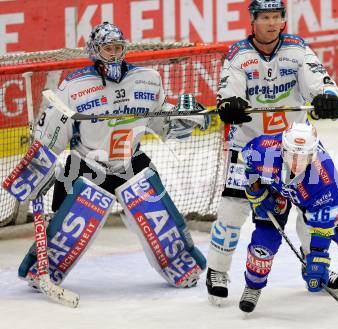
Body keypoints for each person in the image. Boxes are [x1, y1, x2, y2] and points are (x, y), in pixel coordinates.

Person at [206, 0, 338, 304]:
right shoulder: (239, 55)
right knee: (233, 211)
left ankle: (312, 264)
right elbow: (228, 88)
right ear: (253, 21)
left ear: (283, 20)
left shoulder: (297, 49)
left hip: (296, 145)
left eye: (276, 17)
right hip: (250, 147)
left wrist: (326, 96)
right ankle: (217, 270)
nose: (271, 24)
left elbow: (318, 78)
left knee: (316, 207)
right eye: (265, 18)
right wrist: (229, 102)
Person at [17, 22, 208, 289]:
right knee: (68, 229)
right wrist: (38, 166)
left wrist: (189, 119)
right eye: (108, 48)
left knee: (161, 220)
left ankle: (181, 265)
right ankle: (43, 270)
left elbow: (160, 121)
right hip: (87, 165)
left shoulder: (147, 79)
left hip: (132, 163)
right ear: (95, 51)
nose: (115, 54)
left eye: (119, 47)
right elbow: (54, 132)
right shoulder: (74, 85)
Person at [238, 122, 338, 312]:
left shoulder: (325, 179)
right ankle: (253, 285)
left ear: (313, 154)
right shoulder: (263, 149)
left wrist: (318, 259)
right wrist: (256, 194)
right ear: (282, 149)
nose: (297, 162)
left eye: (304, 157)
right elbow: (248, 165)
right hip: (275, 190)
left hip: (312, 196)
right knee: (264, 242)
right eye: (293, 155)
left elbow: (322, 226)